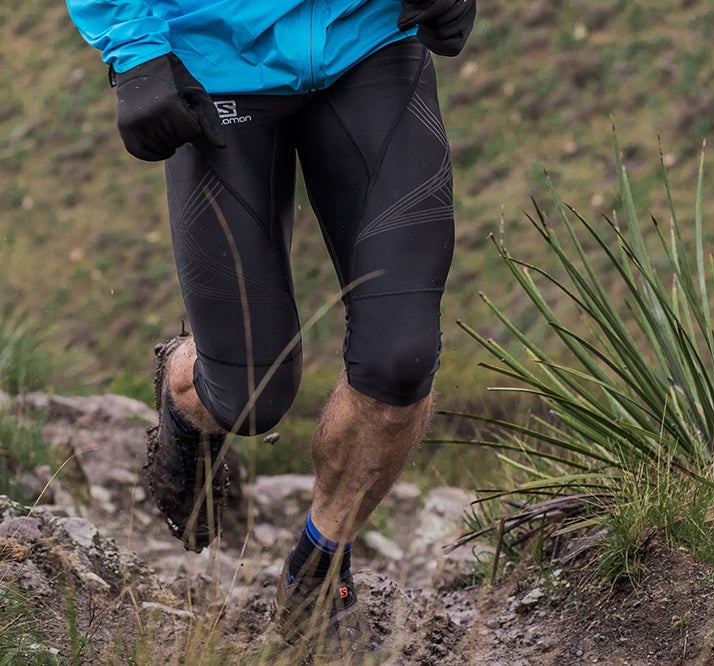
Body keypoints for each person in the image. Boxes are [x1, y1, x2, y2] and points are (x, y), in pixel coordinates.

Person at [64, 0, 476, 640]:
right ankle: (184, 384)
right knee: (251, 393)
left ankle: (316, 576)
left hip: (371, 38)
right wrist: (135, 50)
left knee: (401, 360)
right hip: (213, 62)